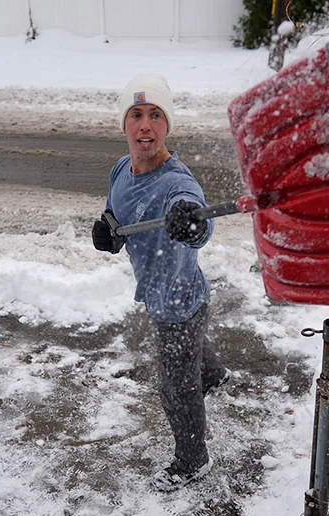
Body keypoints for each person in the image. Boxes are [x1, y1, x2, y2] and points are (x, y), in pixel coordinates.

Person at [91, 73, 230, 492]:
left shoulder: (176, 182)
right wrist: (107, 228)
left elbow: (196, 217)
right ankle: (214, 373)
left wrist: (190, 223)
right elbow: (117, 212)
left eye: (155, 115)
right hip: (165, 288)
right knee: (192, 353)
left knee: (175, 384)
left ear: (167, 125)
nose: (145, 125)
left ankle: (192, 460)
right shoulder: (121, 168)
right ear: (125, 125)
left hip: (177, 302)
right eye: (136, 115)